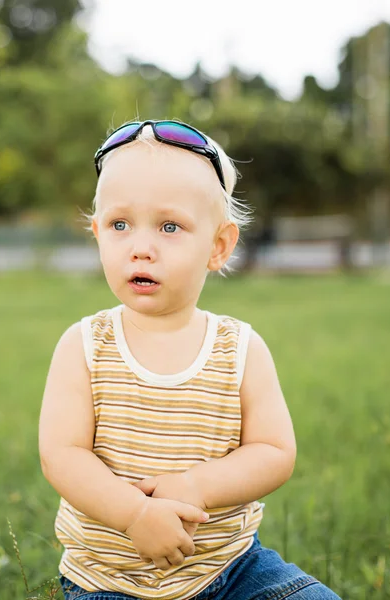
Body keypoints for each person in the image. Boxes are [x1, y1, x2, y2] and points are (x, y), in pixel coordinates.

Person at [38, 120, 340, 600]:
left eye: (170, 226)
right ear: (97, 234)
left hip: (233, 568)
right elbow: (62, 456)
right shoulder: (84, 345)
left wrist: (198, 485)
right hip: (110, 578)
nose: (140, 248)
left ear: (218, 246)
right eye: (119, 225)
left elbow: (274, 451)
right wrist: (135, 515)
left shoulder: (240, 348)